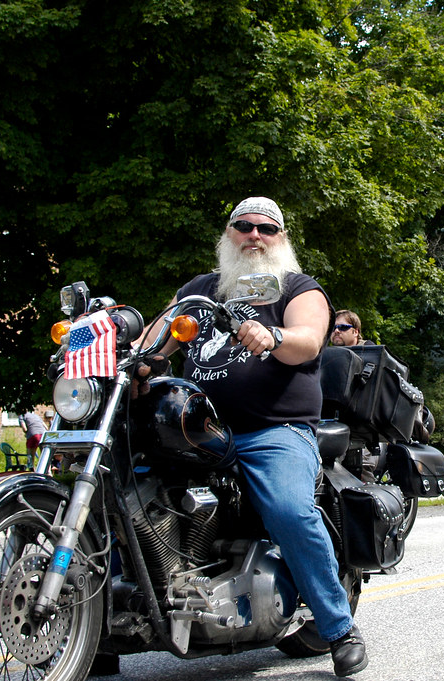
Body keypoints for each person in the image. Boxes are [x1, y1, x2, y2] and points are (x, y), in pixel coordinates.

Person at [137, 197, 366, 677]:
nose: (254, 235)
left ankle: (339, 627)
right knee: (127, 489)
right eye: (244, 226)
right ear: (228, 234)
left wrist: (275, 336)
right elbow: (156, 338)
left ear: (281, 238)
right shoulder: (201, 290)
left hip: (273, 429)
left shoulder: (298, 288)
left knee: (286, 508)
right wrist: (137, 357)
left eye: (267, 228)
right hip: (197, 427)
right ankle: (99, 630)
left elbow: (309, 337)